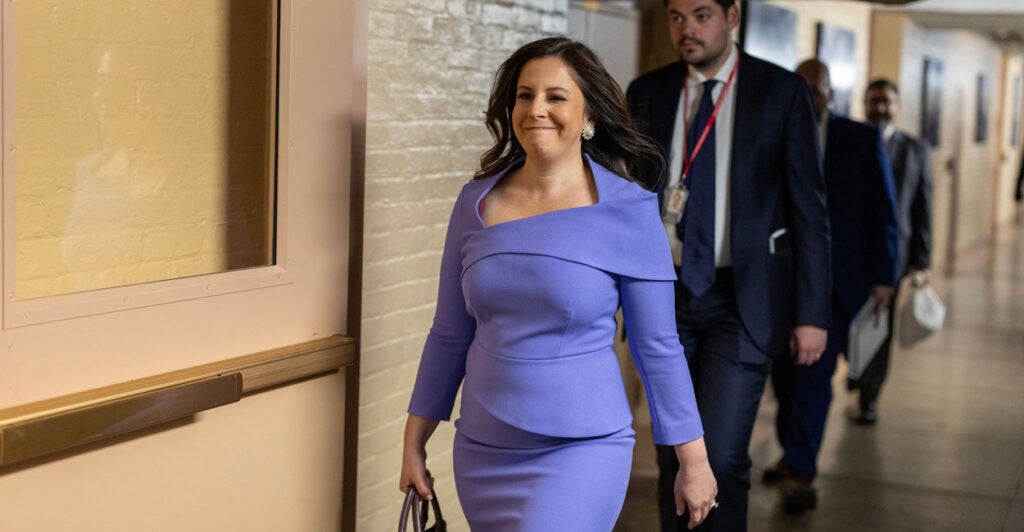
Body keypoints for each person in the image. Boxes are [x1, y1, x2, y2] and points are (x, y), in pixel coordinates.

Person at [399, 37, 718, 531]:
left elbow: (658, 347)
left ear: (589, 114)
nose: (536, 110)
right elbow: (449, 332)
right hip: (484, 448)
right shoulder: (475, 203)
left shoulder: (628, 210)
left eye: (555, 96)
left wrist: (692, 461)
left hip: (581, 449)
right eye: (524, 96)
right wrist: (414, 441)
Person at [625, 1, 831, 530]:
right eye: (675, 17)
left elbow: (809, 208)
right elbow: (620, 190)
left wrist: (812, 313)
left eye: (700, 16)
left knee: (717, 456)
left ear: (732, 16)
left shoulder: (780, 93)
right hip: (663, 296)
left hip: (742, 298)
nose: (686, 30)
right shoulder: (648, 92)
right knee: (673, 456)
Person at [764, 59, 899, 515]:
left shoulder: (859, 138)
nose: (808, 95)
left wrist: (885, 275)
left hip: (839, 282)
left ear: (831, 94)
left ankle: (802, 469)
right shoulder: (774, 131)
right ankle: (790, 452)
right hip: (781, 280)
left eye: (816, 89)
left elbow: (884, 210)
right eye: (800, 87)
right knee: (783, 377)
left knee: (813, 377)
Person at [852, 78, 934, 424]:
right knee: (852, 320)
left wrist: (922, 259)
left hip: (895, 256)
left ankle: (870, 395)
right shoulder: (851, 144)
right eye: (873, 101)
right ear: (864, 104)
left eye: (886, 101)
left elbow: (923, 206)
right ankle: (856, 370)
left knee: (880, 327)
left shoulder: (915, 149)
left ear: (898, 106)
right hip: (854, 253)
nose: (880, 108)